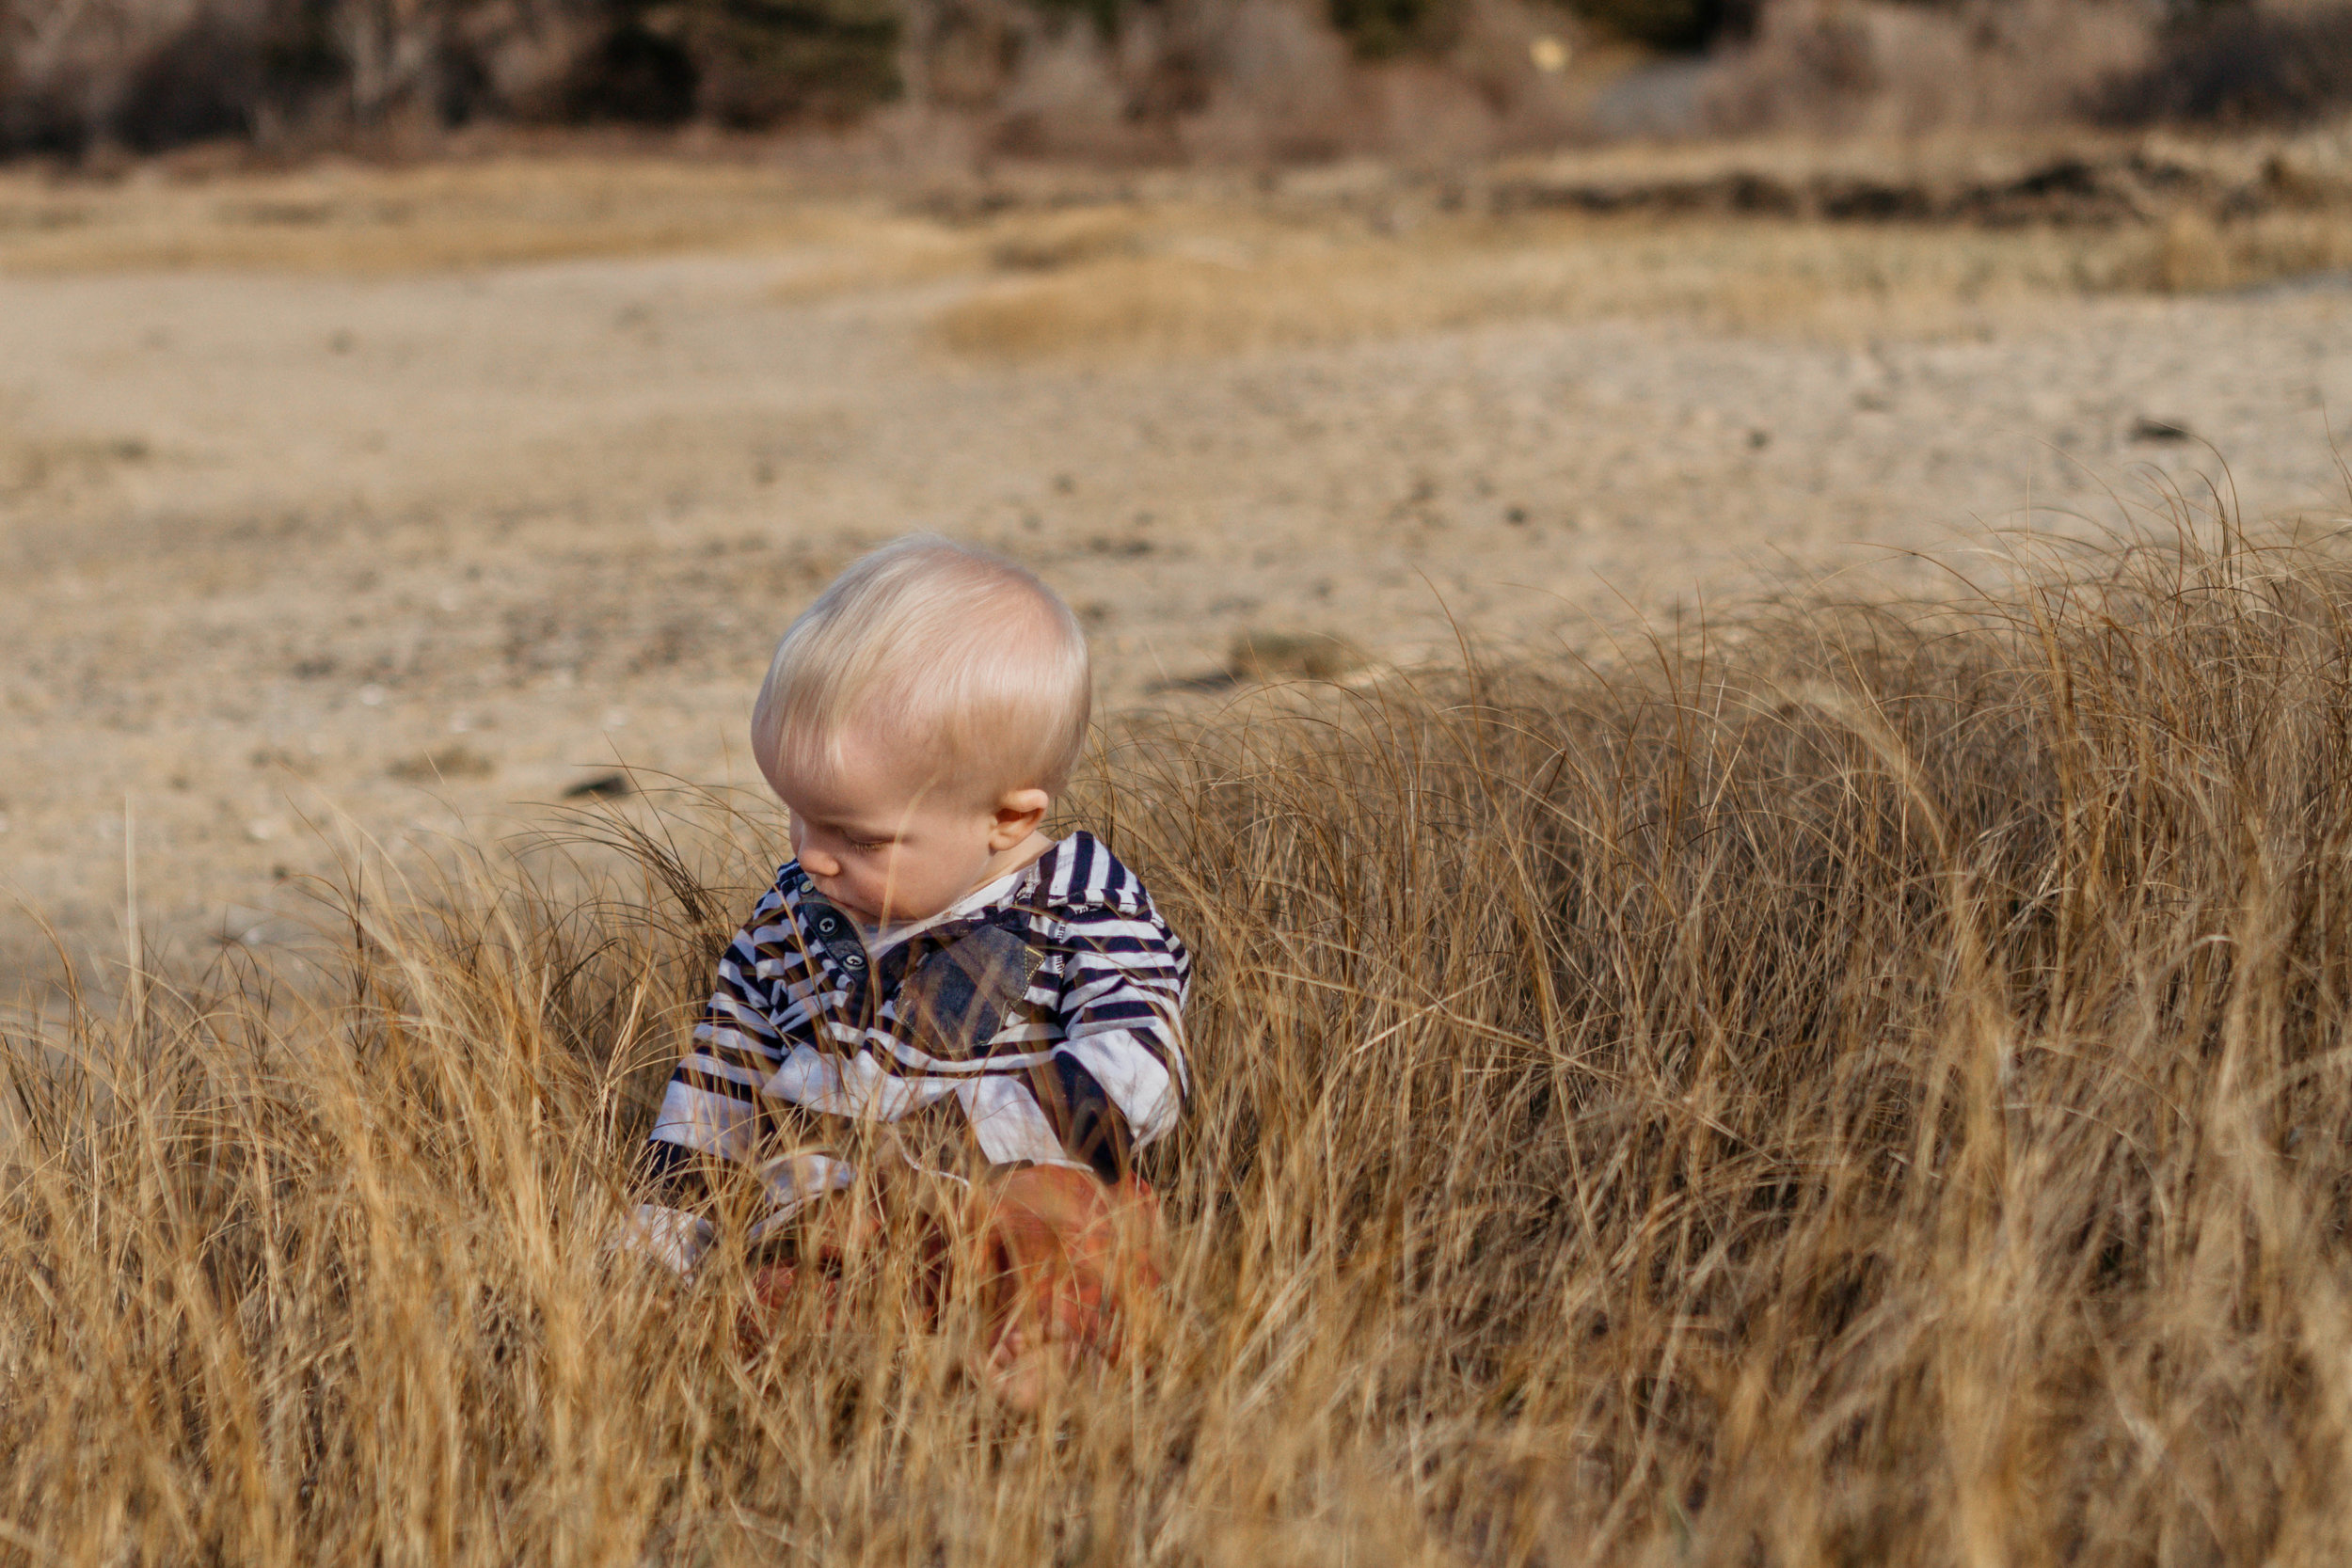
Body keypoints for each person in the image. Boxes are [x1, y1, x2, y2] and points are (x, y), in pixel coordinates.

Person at [623, 535, 1190, 1406]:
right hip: (829, 1224)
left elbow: (1142, 1070)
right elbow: (719, 1082)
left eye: (857, 836)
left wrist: (939, 1146)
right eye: (796, 816)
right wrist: (661, 1233)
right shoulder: (794, 919)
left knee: (1072, 1229)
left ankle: (1049, 1372)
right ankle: (866, 1380)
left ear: (1005, 817)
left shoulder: (1082, 908)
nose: (812, 856)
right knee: (755, 1295)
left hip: (1001, 1197)